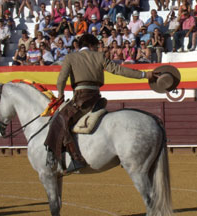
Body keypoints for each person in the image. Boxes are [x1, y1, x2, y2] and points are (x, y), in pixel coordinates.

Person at [44, 34, 158, 174]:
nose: (97, 48)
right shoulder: (98, 56)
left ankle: (73, 158)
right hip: (96, 99)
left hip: (81, 99)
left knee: (59, 119)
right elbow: (119, 70)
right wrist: (144, 75)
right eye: (96, 46)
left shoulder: (71, 57)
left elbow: (61, 79)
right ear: (91, 45)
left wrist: (60, 94)